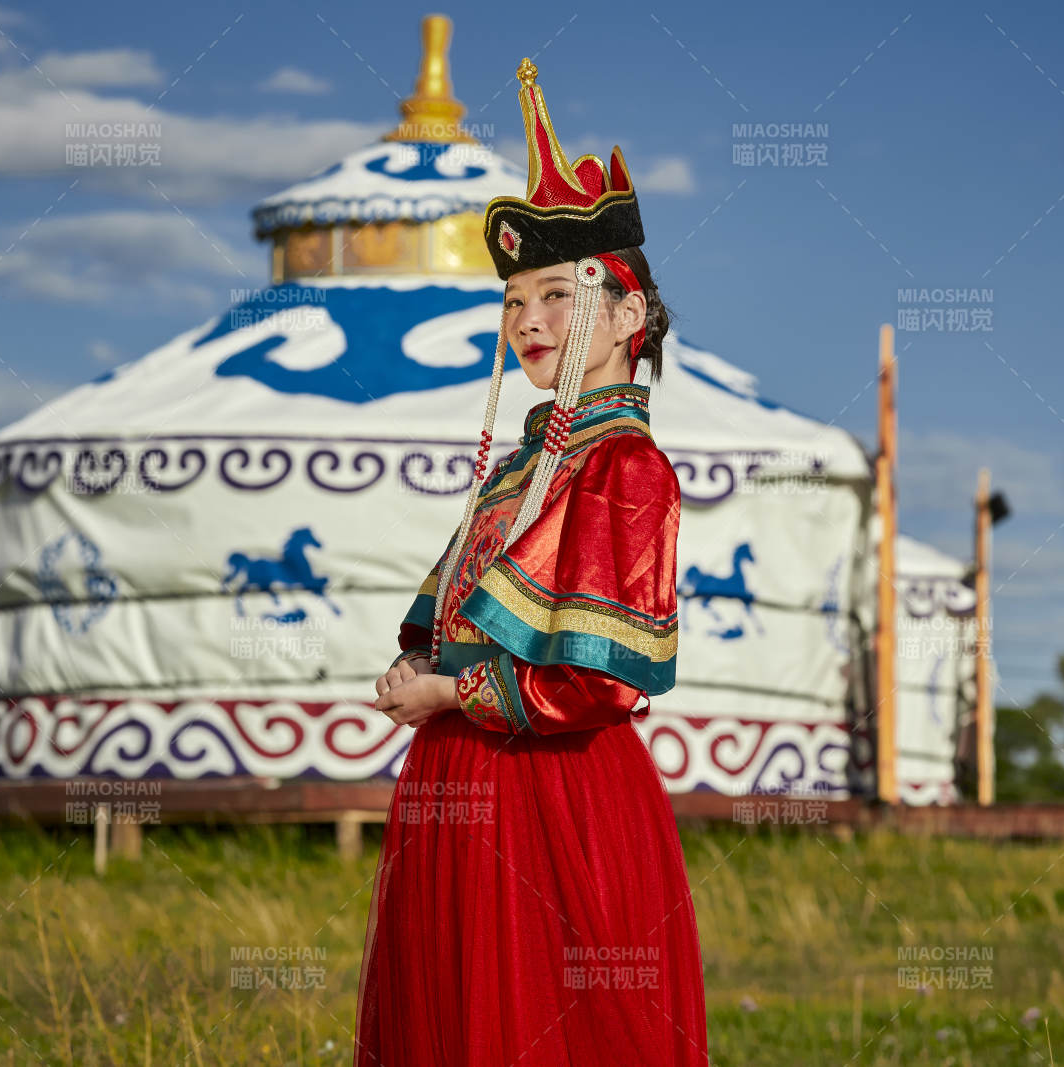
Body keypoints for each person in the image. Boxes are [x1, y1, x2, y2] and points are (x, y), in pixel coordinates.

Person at [353, 58, 710, 1067]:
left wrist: (446, 693)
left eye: (557, 294)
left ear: (629, 316)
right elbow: (458, 622)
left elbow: (594, 676)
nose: (529, 324)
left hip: (557, 792)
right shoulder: (525, 461)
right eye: (513, 302)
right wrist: (415, 674)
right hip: (460, 774)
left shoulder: (626, 468)